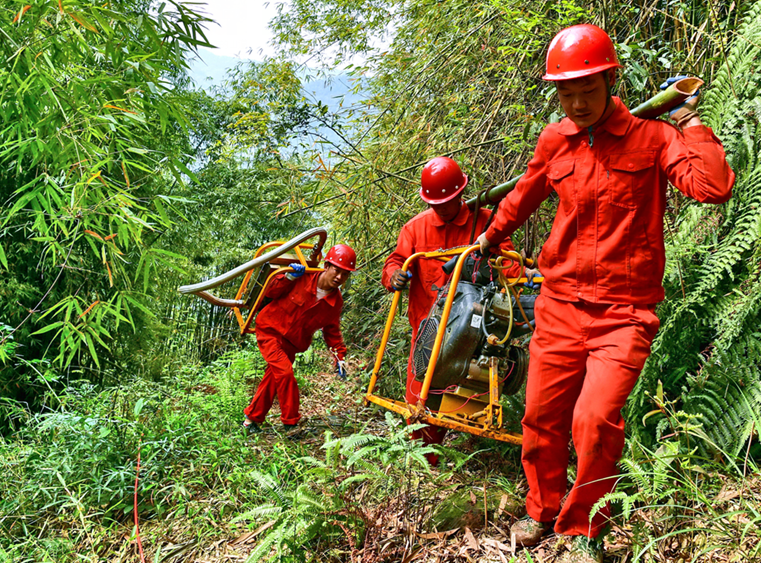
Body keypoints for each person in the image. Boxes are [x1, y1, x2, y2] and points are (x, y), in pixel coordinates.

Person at [476, 24, 735, 563]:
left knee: (594, 420)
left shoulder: (654, 137)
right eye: (565, 93)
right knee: (542, 417)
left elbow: (713, 187)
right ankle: (542, 509)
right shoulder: (556, 140)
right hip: (559, 304)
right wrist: (488, 237)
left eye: (586, 90)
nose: (576, 103)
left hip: (625, 313)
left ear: (610, 81)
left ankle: (583, 528)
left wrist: (686, 117)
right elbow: (522, 199)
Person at [381, 156, 523, 465]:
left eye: (450, 200)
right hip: (428, 331)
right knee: (420, 398)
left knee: (467, 395)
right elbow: (394, 261)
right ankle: (419, 465)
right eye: (437, 203)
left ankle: (472, 457)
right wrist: (394, 275)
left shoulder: (485, 222)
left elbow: (510, 262)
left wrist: (514, 277)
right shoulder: (415, 229)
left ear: (461, 193)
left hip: (474, 329)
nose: (444, 207)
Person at [243, 244, 357, 435]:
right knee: (285, 373)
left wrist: (340, 357)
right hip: (271, 330)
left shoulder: (335, 302)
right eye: (337, 270)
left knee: (273, 377)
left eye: (345, 274)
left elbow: (332, 331)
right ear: (326, 266)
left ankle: (251, 420)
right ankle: (291, 424)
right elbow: (270, 292)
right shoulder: (302, 276)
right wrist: (288, 277)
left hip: (292, 342)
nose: (339, 277)